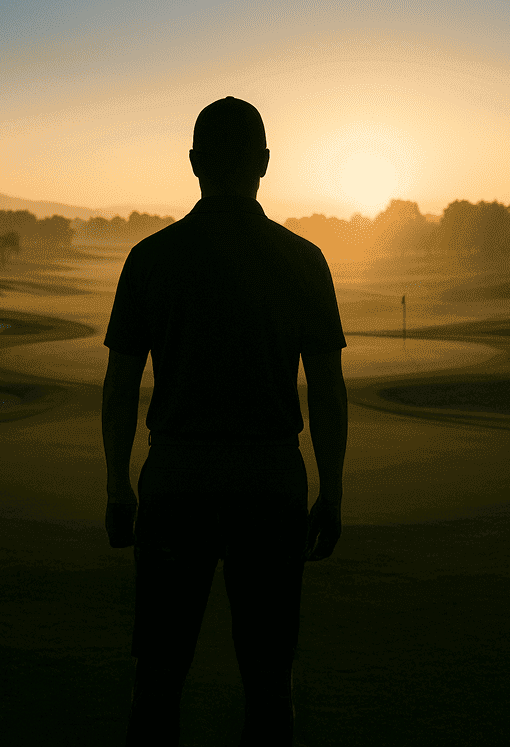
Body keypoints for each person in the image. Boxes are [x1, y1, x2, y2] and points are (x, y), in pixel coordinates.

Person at [101, 96, 349, 747]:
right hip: (270, 484)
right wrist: (334, 490)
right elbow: (326, 388)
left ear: (193, 162)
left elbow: (121, 383)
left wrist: (116, 485)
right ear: (264, 162)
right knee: (270, 688)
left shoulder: (150, 258)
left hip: (176, 479)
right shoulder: (303, 259)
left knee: (157, 682)